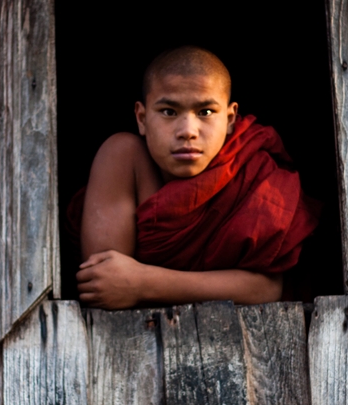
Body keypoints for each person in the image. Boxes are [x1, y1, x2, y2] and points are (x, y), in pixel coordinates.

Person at [70, 45, 320, 309]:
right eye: (169, 111)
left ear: (231, 118)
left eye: (206, 112)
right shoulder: (124, 158)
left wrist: (144, 282)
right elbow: (105, 281)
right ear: (142, 118)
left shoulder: (253, 171)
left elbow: (265, 288)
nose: (188, 131)